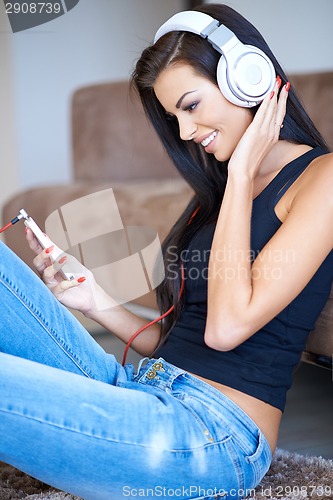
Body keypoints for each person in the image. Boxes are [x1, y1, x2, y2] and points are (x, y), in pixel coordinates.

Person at [0, 3, 332, 499]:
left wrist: (241, 175)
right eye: (173, 115)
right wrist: (97, 302)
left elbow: (225, 330)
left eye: (190, 106)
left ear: (249, 78)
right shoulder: (219, 199)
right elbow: (184, 337)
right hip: (142, 389)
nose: (183, 133)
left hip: (211, 439)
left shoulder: (321, 181)